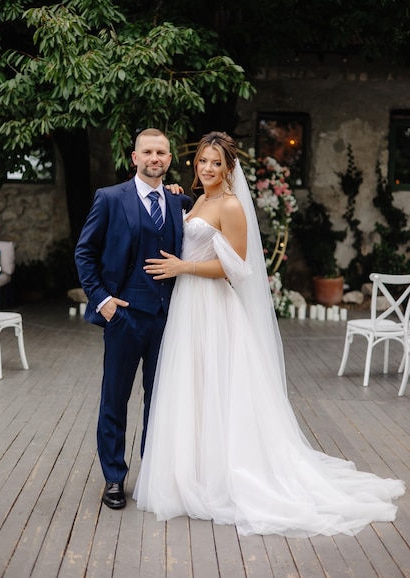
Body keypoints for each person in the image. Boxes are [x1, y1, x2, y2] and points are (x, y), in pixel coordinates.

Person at [133, 131, 405, 537]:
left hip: (213, 307)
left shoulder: (230, 205)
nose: (207, 168)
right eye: (203, 161)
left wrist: (183, 268)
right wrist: (176, 200)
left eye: (216, 163)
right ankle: (195, 471)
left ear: (228, 169)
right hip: (187, 308)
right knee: (194, 388)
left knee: (221, 391)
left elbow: (236, 268)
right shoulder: (197, 201)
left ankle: (226, 475)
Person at [75, 128, 192, 510]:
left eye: (161, 152)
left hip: (167, 319)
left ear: (170, 159)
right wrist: (103, 301)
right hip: (123, 316)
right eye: (148, 152)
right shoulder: (109, 199)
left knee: (159, 401)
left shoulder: (178, 202)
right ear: (134, 157)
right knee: (115, 399)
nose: (155, 158)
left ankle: (152, 476)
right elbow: (84, 253)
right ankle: (113, 477)